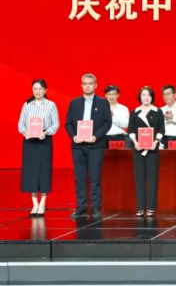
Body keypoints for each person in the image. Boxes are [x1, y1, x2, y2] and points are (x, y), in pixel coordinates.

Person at [64, 74, 112, 218]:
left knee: (95, 178)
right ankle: (81, 207)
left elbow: (107, 123)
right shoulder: (74, 103)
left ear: (95, 85)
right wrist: (74, 136)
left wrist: (96, 136)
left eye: (90, 83)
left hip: (95, 145)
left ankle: (96, 207)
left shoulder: (103, 103)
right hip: (78, 146)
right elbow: (68, 124)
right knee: (80, 178)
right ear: (81, 85)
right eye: (85, 83)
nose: (87, 86)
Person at [17, 79, 59, 217]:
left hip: (44, 141)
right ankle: (34, 202)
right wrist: (25, 132)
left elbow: (55, 124)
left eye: (40, 89)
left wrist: (45, 132)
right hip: (29, 142)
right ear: (32, 90)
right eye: (35, 88)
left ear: (45, 90)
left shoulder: (51, 105)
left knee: (44, 171)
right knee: (31, 172)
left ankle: (43, 201)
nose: (38, 91)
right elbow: (21, 124)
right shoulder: (27, 105)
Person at [127, 86, 165, 217]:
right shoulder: (135, 112)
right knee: (139, 178)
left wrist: (155, 142)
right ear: (140, 97)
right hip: (138, 149)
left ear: (152, 97)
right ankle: (140, 207)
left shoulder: (158, 111)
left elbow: (161, 129)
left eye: (149, 95)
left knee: (152, 178)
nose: (146, 97)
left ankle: (151, 208)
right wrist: (135, 142)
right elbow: (131, 130)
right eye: (143, 95)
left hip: (153, 149)